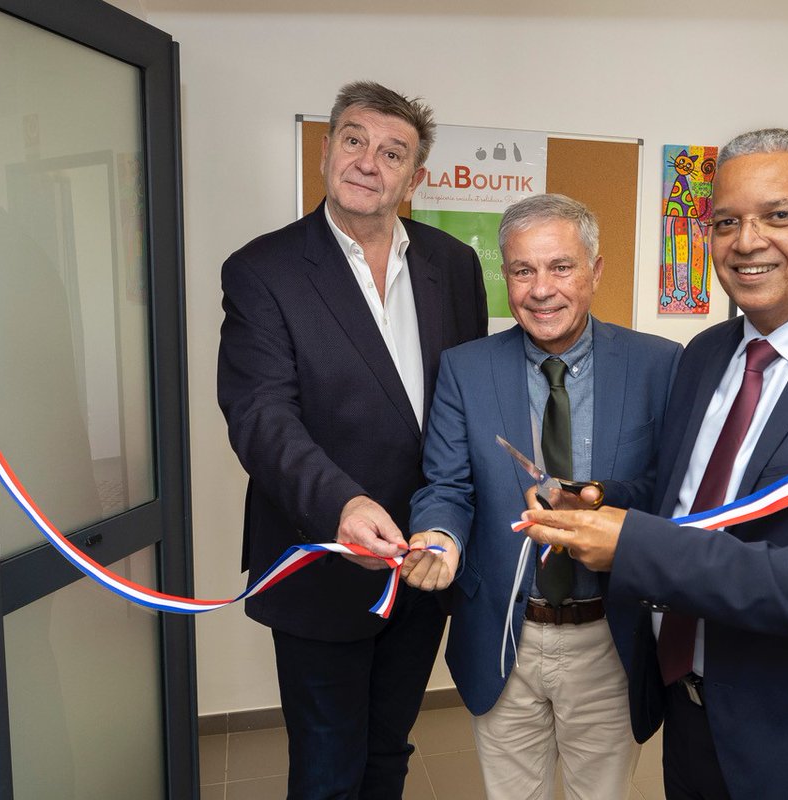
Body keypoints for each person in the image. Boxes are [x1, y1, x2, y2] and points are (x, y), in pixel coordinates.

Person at [520, 129, 788, 799]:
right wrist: (603, 497)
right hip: (689, 709)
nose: (747, 241)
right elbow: (688, 496)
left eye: (777, 215)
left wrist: (634, 544)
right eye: (726, 221)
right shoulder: (703, 354)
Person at [217, 80, 487, 799]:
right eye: (355, 140)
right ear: (326, 151)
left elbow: (464, 401)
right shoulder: (262, 270)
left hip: (424, 564)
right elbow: (260, 416)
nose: (369, 161)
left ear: (416, 176)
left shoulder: (453, 265)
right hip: (323, 558)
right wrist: (341, 504)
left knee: (389, 751)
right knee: (328, 765)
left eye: (392, 151)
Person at [402, 194, 681, 800]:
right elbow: (447, 485)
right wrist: (440, 536)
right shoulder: (464, 369)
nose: (541, 289)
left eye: (561, 267)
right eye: (523, 271)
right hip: (504, 635)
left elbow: (674, 491)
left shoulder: (659, 365)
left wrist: (600, 500)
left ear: (596, 270)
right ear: (505, 277)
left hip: (610, 634)